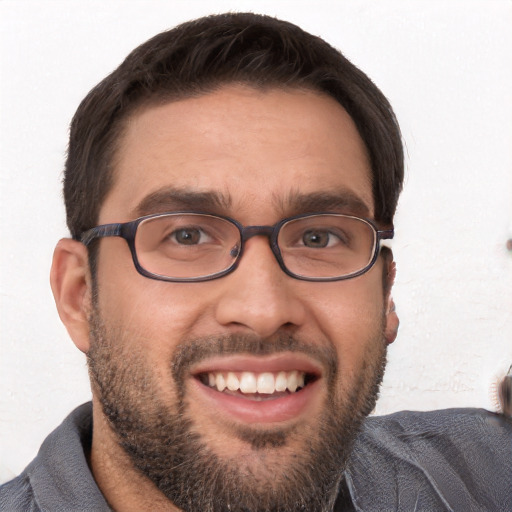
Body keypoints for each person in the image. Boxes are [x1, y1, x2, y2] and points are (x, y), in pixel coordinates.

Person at [1, 12, 510, 512]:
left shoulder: (488, 475)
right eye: (187, 234)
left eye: (319, 236)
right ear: (79, 296)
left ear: (385, 293)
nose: (264, 309)